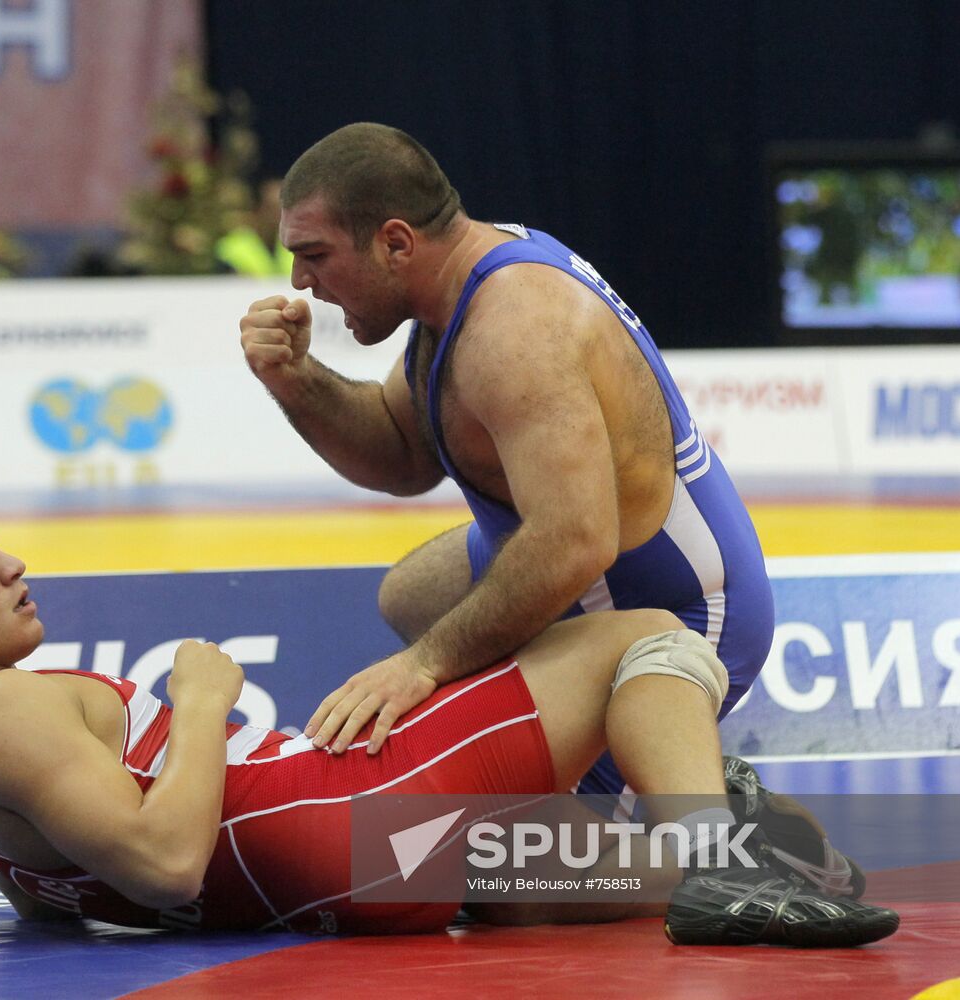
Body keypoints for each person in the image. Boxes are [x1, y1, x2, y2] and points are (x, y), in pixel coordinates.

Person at [0, 493, 895, 945]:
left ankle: (733, 853)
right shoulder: (2, 710)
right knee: (643, 631)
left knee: (547, 878)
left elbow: (55, 892)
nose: (11, 563)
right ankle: (710, 836)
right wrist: (201, 700)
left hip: (332, 884)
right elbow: (160, 863)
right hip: (338, 815)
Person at [238, 125, 776, 808]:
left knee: (507, 870)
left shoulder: (514, 329)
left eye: (314, 255)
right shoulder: (458, 286)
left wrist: (424, 664)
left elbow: (576, 542)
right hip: (600, 577)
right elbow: (403, 457)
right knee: (411, 595)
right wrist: (295, 378)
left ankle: (730, 834)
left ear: (396, 242)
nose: (300, 282)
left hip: (683, 611)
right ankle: (647, 776)